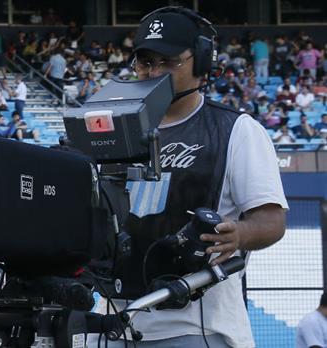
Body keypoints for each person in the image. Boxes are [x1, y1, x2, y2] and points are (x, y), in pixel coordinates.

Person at [89, 7, 287, 348]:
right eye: (145, 61)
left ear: (202, 62)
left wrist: (239, 233)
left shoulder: (237, 130)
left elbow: (271, 220)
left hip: (199, 327)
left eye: (167, 62)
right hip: (113, 321)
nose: (153, 72)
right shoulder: (110, 127)